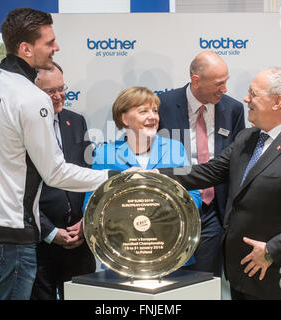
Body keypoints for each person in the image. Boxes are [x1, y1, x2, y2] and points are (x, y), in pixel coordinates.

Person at [0, 8, 113, 300]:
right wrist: (114, 178)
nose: (57, 47)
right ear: (26, 48)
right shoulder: (31, 98)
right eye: (49, 42)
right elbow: (56, 173)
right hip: (8, 231)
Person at [157, 67, 281, 299]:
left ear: (277, 102)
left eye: (253, 94)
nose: (246, 99)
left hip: (277, 279)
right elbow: (209, 172)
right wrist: (152, 174)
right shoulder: (247, 138)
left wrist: (271, 251)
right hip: (240, 274)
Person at [82, 86, 202, 268]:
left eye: (155, 110)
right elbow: (91, 205)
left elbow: (193, 199)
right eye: (143, 111)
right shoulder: (104, 154)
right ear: (124, 118)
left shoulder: (175, 149)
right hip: (123, 256)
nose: (152, 117)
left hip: (171, 252)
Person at [158, 51, 245, 277]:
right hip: (171, 209)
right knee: (170, 279)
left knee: (205, 280)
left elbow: (236, 162)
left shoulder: (233, 109)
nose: (225, 89)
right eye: (219, 83)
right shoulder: (162, 105)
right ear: (196, 80)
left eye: (226, 81)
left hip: (213, 211)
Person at [29, 62, 95, 300]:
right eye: (50, 91)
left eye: (61, 88)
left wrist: (88, 222)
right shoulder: (23, 127)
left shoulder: (76, 121)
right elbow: (19, 190)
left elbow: (88, 174)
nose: (58, 96)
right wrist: (49, 231)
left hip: (80, 240)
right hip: (40, 244)